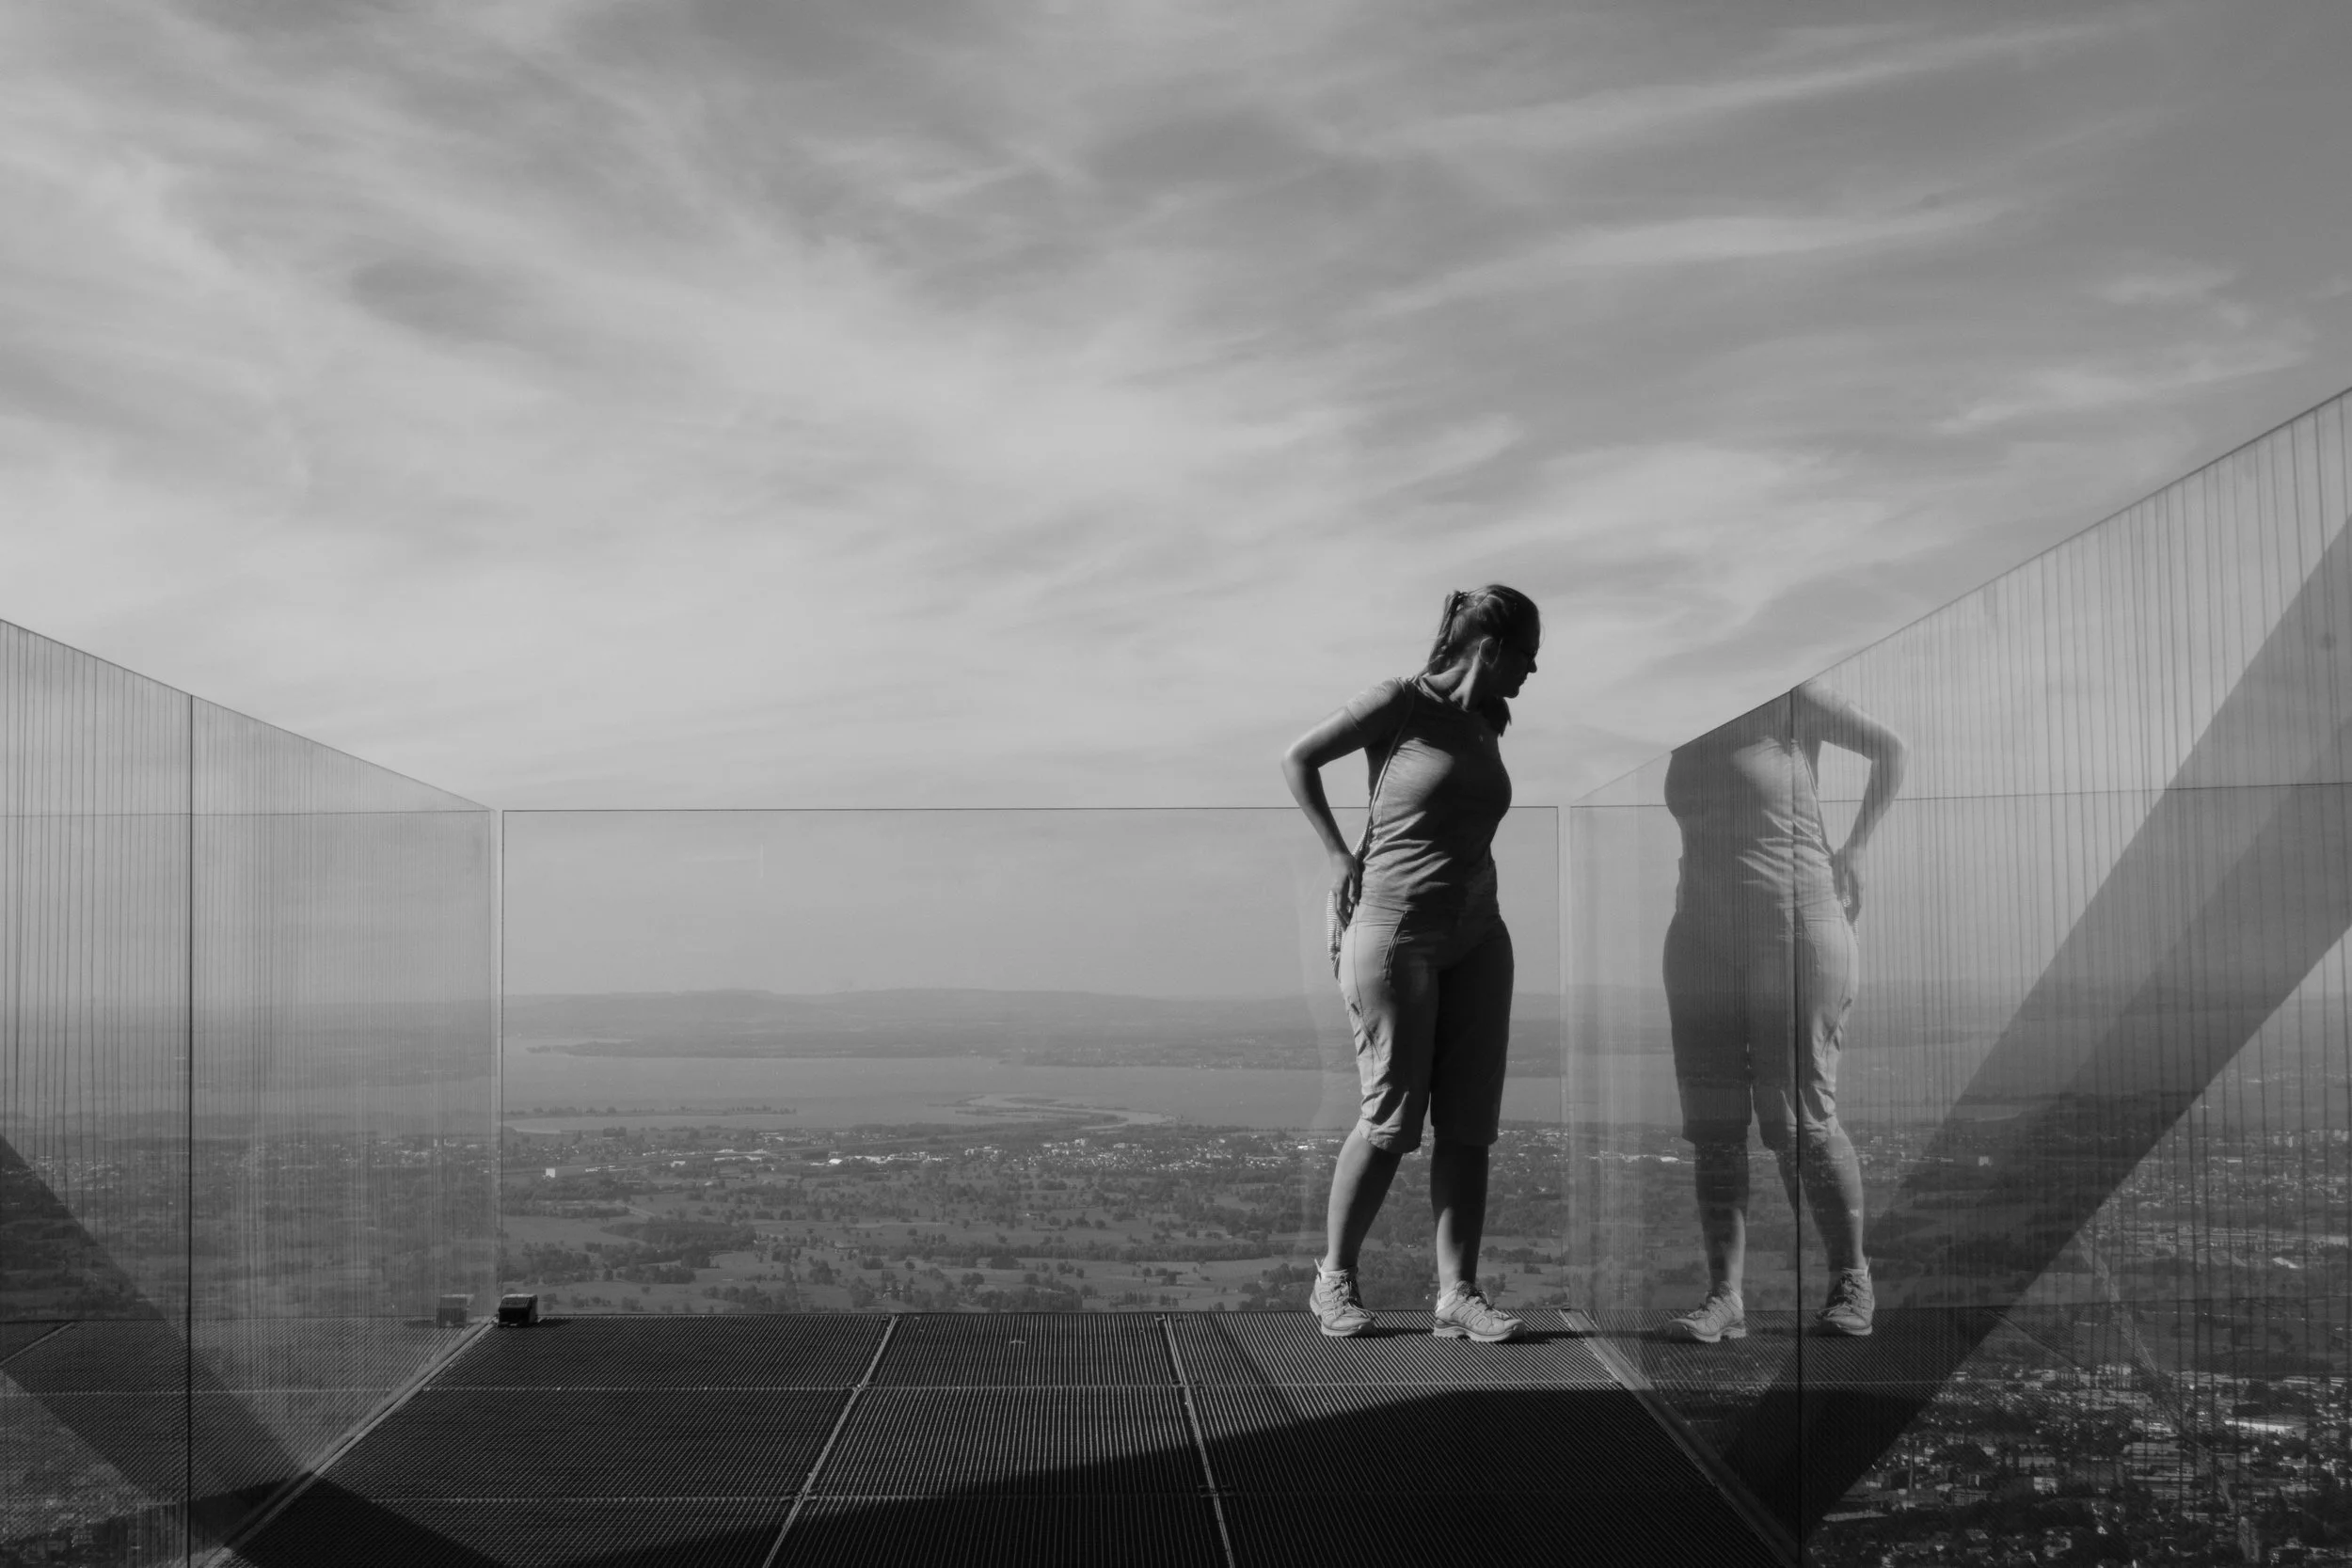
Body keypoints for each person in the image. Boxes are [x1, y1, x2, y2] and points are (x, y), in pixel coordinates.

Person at [1279, 585, 1541, 1341]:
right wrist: (1336, 855)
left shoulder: (1488, 722)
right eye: (1527, 657)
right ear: (1490, 648)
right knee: (1392, 1118)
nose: (1532, 674)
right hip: (1395, 930)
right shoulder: (1399, 702)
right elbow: (1299, 759)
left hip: (1479, 934)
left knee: (1470, 1121)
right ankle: (1334, 1280)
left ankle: (1458, 1293)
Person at [1657, 680, 1906, 1342]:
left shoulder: (1792, 699)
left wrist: (1854, 848)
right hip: (1702, 934)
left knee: (1798, 1115)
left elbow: (1891, 750)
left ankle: (1852, 1279)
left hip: (1793, 925)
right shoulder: (1683, 714)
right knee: (1712, 1122)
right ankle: (1724, 1298)